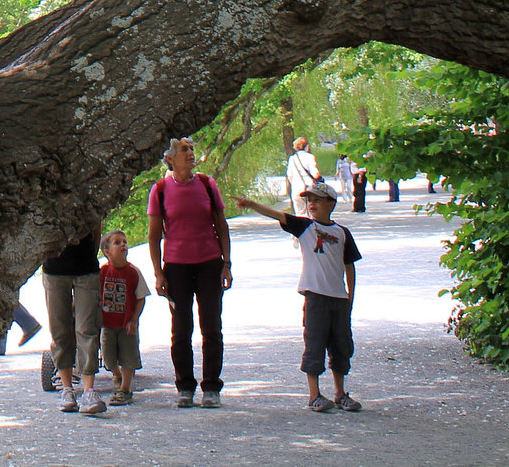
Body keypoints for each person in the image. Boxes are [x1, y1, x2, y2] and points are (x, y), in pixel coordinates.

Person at [236, 180, 364, 412]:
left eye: (317, 200)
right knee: (315, 343)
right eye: (309, 200)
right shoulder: (305, 227)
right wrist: (252, 204)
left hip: (339, 298)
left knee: (341, 345)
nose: (312, 204)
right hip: (315, 297)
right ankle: (314, 394)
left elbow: (349, 266)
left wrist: (350, 296)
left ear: (331, 203)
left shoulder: (342, 233)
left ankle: (340, 393)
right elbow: (277, 215)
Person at [148, 137, 232, 408]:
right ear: (170, 158)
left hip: (209, 263)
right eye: (184, 150)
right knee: (181, 329)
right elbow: (153, 236)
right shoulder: (160, 189)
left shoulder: (207, 185)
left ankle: (211, 388)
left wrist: (226, 263)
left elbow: (221, 225)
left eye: (192, 149)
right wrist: (159, 273)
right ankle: (185, 386)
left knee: (212, 327)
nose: (190, 153)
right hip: (176, 267)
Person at [41, 229, 108, 415]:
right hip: (54, 269)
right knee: (59, 330)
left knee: (87, 330)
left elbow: (96, 227)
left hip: (86, 268)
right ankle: (67, 389)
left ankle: (89, 392)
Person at [97, 228, 149, 406]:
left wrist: (134, 319)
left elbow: (141, 298)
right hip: (107, 324)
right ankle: (117, 375)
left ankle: (125, 389)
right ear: (107, 252)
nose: (123, 245)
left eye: (125, 242)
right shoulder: (103, 272)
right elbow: (96, 296)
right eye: (117, 242)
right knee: (108, 358)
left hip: (127, 325)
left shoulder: (133, 272)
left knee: (128, 357)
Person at [284, 136, 322, 215]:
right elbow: (315, 174)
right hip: (309, 188)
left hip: (296, 188)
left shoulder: (292, 159)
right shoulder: (310, 157)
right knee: (312, 213)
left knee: (300, 213)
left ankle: (301, 227)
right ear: (306, 146)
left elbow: (289, 175)